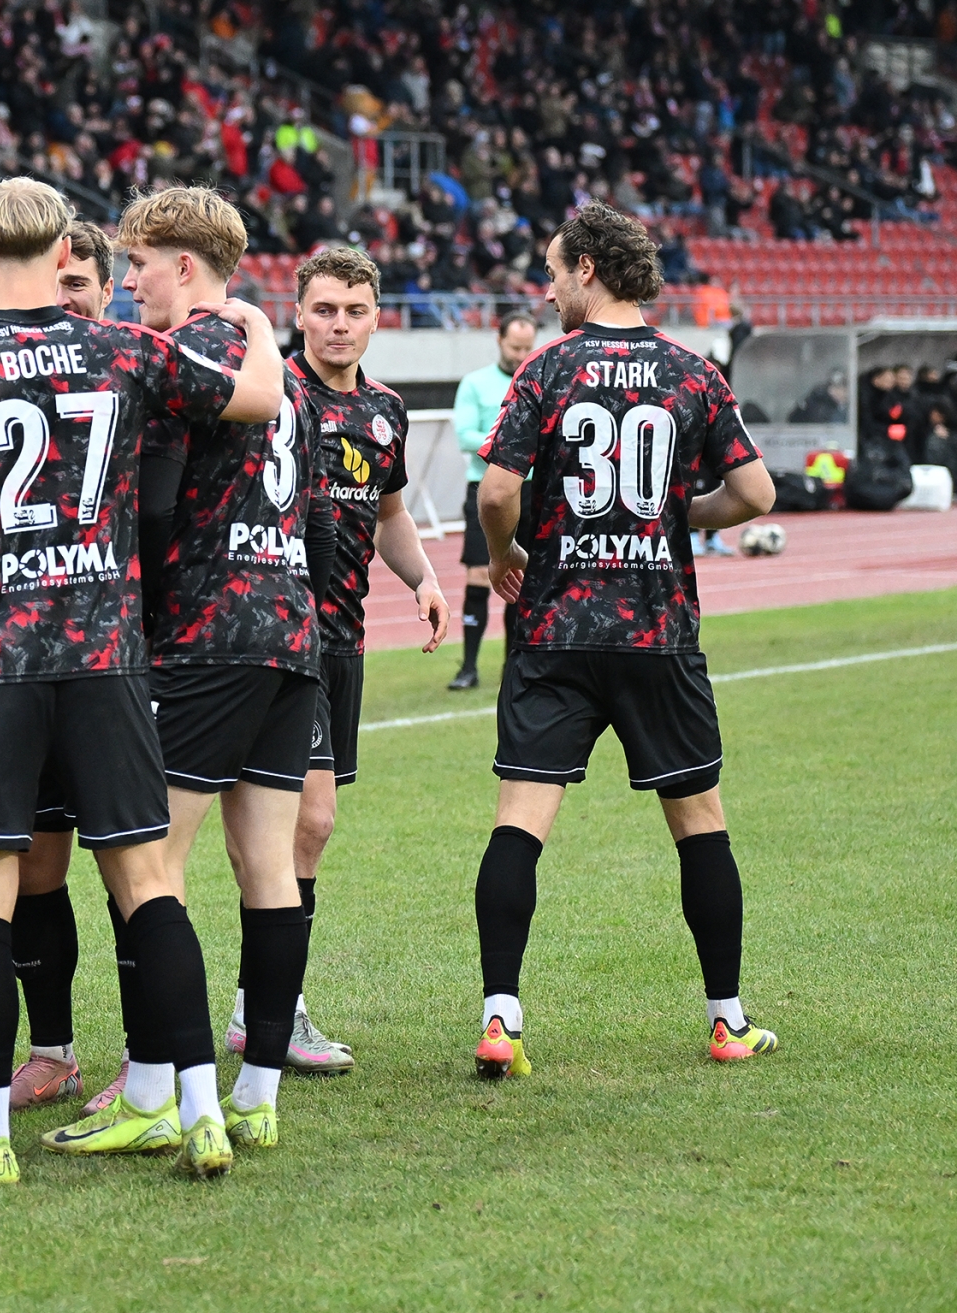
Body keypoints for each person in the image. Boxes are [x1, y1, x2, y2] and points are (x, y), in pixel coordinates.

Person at [0, 177, 286, 1184]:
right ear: (61, 251)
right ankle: (201, 1112)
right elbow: (260, 398)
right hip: (106, 658)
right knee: (149, 885)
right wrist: (259, 323)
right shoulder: (124, 348)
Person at [470, 202, 780, 1080]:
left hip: (555, 630)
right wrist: (676, 516)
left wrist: (505, 554)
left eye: (553, 270)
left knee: (519, 821)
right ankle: (727, 1020)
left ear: (588, 269)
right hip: (657, 629)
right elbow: (755, 495)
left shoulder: (546, 367)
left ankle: (500, 1018)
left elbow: (496, 493)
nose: (547, 288)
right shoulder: (692, 372)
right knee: (699, 823)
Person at [102, 186, 338, 1150]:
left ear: (185, 266)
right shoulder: (279, 369)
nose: (128, 283)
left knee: (148, 867)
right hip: (289, 629)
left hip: (205, 636)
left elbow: (157, 507)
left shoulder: (184, 359)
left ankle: (158, 1091)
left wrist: (136, 615)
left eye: (138, 264)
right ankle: (259, 1092)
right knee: (268, 868)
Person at [259, 248, 450, 1073]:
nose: (339, 325)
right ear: (299, 312)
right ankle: (274, 1009)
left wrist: (425, 578)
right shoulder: (270, 395)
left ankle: (260, 1003)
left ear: (377, 318)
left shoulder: (385, 409)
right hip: (278, 639)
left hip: (344, 642)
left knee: (302, 832)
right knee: (308, 822)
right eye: (326, 309)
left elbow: (391, 510)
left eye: (355, 310)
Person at [448, 313, 539, 691]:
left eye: (527, 348)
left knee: (525, 579)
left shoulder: (538, 382)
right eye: (515, 347)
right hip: (484, 489)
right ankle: (468, 667)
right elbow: (466, 435)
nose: (520, 354)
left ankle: (513, 666)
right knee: (477, 575)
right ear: (499, 341)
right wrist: (515, 444)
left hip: (533, 490)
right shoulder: (476, 383)